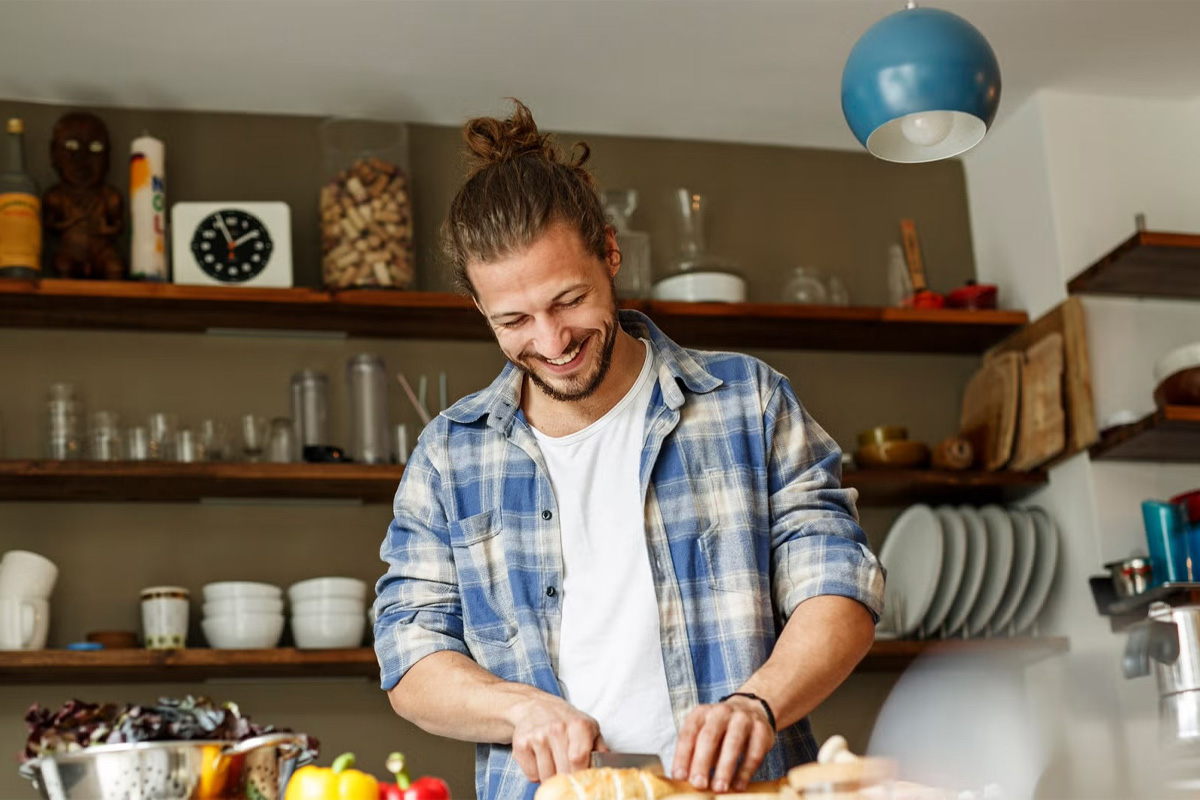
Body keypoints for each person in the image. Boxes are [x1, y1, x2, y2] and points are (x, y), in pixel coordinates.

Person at [374, 100, 885, 800]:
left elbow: (839, 585)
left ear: (610, 254)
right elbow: (410, 655)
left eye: (569, 300)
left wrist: (757, 703)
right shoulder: (448, 456)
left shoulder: (747, 400)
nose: (551, 342)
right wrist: (517, 708)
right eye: (515, 320)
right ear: (479, 309)